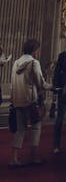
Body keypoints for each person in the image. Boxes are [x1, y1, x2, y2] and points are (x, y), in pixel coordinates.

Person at [10, 38, 51, 168]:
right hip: (30, 101)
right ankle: (34, 156)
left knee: (20, 129)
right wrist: (52, 86)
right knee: (36, 126)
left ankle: (14, 158)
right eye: (38, 50)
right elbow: (41, 83)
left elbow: (13, 83)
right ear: (34, 50)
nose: (38, 53)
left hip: (17, 100)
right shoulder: (34, 63)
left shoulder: (16, 62)